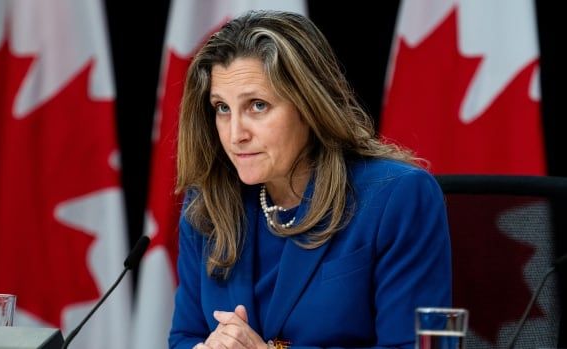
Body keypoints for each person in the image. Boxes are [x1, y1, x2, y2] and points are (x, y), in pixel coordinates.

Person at [169, 10, 451, 349]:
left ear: (309, 106)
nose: (235, 135)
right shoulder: (208, 204)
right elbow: (186, 336)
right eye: (222, 108)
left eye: (257, 105)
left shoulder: (398, 197)